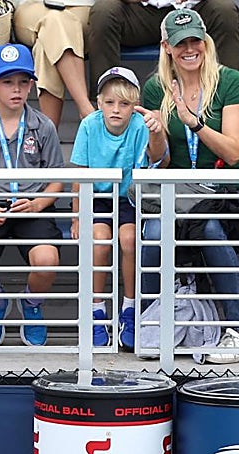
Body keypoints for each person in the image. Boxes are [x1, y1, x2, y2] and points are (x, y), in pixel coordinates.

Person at [140, 8, 239, 364]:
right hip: (181, 192)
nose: (189, 49)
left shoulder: (230, 80)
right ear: (167, 47)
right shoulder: (155, 87)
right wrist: (156, 136)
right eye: (180, 44)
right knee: (156, 230)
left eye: (195, 41)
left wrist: (193, 123)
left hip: (225, 191)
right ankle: (151, 326)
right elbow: (160, 161)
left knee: (207, 228)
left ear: (205, 42)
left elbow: (234, 151)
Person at [70, 66, 168, 349]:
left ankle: (130, 308)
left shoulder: (140, 125)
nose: (116, 109)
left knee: (129, 240)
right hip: (97, 196)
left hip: (131, 198)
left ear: (134, 106)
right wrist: (77, 216)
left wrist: (157, 132)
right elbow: (80, 175)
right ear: (99, 102)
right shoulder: (89, 125)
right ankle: (96, 311)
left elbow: (160, 159)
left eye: (124, 104)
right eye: (110, 102)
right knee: (99, 241)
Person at [0, 44, 64, 349]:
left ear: (32, 84)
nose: (16, 89)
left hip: (32, 204)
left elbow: (58, 178)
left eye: (22, 82)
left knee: (46, 260)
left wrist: (39, 203)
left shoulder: (42, 126)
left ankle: (31, 304)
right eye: (7, 82)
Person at [87, 0, 239, 95]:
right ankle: (108, 104)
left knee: (225, 10)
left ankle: (227, 104)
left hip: (194, 10)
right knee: (103, 12)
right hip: (143, 13)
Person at [13, 0, 95, 126]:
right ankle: (86, 108)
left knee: (44, 45)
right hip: (32, 8)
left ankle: (49, 139)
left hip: (82, 8)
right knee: (54, 20)